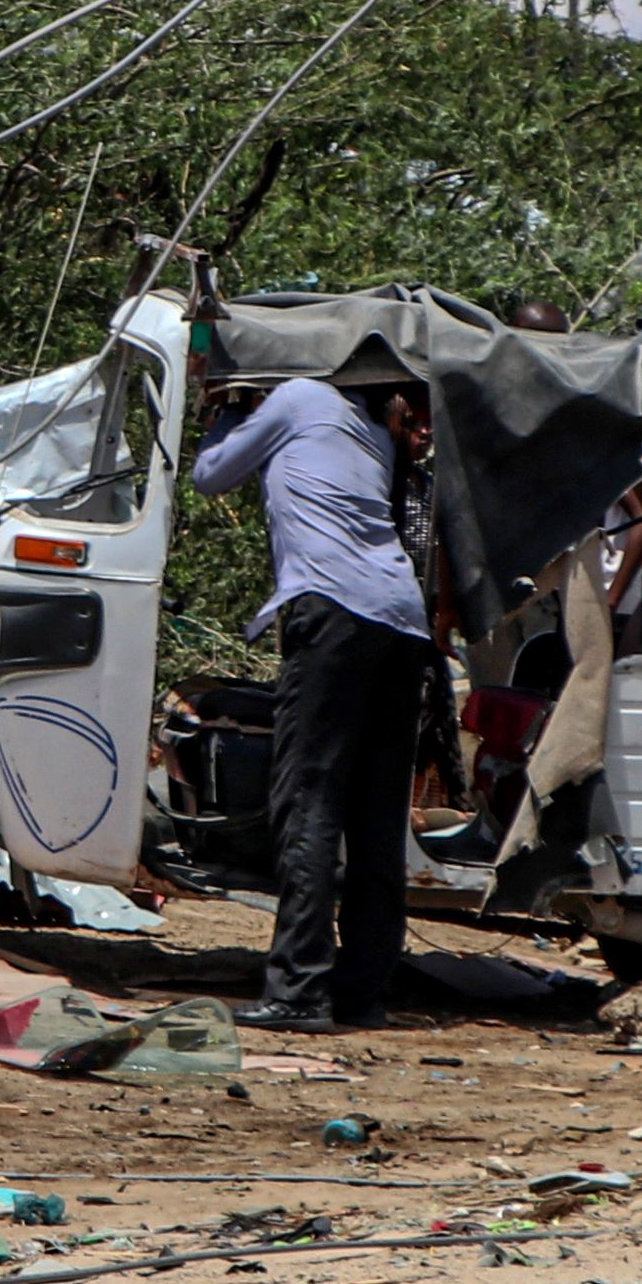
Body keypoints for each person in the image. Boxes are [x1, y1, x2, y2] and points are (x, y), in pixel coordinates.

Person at [192, 344, 435, 1031]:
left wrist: (226, 410)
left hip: (331, 612)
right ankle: (362, 993)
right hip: (401, 621)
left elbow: (211, 475)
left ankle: (298, 990)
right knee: (376, 812)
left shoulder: (300, 398)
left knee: (309, 798)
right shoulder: (376, 438)